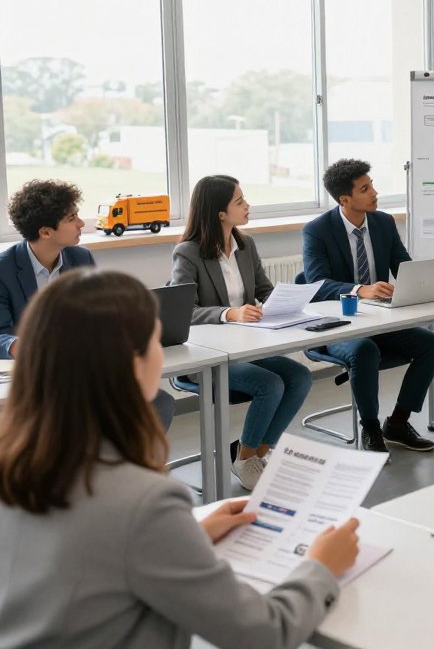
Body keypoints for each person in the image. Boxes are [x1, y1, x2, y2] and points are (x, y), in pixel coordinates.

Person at [0, 270, 358, 649]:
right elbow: (264, 633)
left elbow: (85, 557)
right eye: (156, 340)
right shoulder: (144, 502)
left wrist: (189, 537)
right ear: (131, 364)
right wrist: (321, 567)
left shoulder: (18, 464)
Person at [170, 175, 312, 490]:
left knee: (300, 377)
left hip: (247, 348)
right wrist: (229, 313)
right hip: (208, 357)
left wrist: (291, 303)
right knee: (270, 384)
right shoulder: (188, 253)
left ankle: (254, 454)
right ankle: (246, 460)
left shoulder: (246, 245)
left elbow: (264, 289)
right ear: (220, 213)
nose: (247, 205)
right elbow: (184, 310)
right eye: (239, 201)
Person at [0, 179, 175, 429]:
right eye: (72, 218)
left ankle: (132, 466)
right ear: (45, 232)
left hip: (86, 368)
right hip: (39, 375)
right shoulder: (4, 269)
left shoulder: (80, 258)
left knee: (159, 402)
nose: (82, 223)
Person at [302, 159, 434, 459]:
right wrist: (359, 290)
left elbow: (403, 266)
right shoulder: (317, 230)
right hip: (337, 324)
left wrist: (423, 283)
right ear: (345, 199)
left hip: (379, 319)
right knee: (364, 350)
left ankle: (398, 423)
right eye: (365, 189)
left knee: (431, 343)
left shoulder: (383, 222)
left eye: (372, 185)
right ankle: (371, 427)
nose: (374, 193)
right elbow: (316, 283)